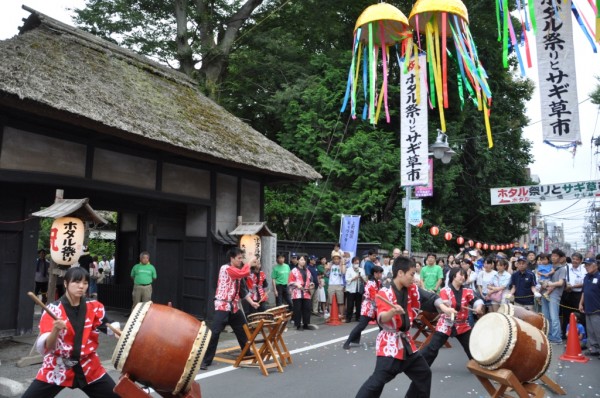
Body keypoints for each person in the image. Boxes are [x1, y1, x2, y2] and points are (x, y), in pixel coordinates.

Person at [355, 256, 455, 398]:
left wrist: (444, 308)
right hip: (390, 345)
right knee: (377, 382)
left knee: (424, 374)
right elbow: (382, 317)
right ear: (400, 273)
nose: (414, 278)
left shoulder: (413, 289)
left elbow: (430, 298)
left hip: (406, 345)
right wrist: (392, 312)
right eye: (412, 274)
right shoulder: (385, 293)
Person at [21, 267, 120, 398]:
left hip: (89, 366)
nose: (81, 286)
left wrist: (118, 333)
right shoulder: (53, 309)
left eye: (85, 283)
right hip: (57, 367)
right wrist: (56, 329)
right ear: (66, 283)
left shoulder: (95, 307)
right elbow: (48, 347)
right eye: (76, 282)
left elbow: (109, 326)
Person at [201, 248, 260, 370]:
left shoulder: (238, 270)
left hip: (234, 306)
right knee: (215, 332)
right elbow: (242, 273)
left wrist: (252, 302)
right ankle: (205, 361)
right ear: (231, 258)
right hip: (223, 305)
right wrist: (250, 262)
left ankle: (246, 352)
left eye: (241, 258)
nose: (240, 260)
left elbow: (243, 290)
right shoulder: (225, 268)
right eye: (238, 258)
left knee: (243, 328)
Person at [420, 268, 484, 367]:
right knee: (433, 347)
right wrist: (454, 306)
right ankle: (421, 366)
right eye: (461, 275)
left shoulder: (468, 290)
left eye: (464, 276)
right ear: (453, 276)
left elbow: (476, 300)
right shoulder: (444, 290)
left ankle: (480, 366)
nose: (463, 277)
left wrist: (478, 307)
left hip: (462, 325)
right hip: (445, 324)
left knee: (471, 347)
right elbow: (446, 305)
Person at [343, 265, 383, 349]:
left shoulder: (377, 282)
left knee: (382, 325)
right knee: (361, 326)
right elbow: (373, 297)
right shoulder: (370, 283)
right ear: (375, 273)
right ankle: (347, 342)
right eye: (380, 273)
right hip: (369, 307)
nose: (381, 274)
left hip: (375, 307)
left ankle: (382, 342)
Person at [540, 248, 568, 344]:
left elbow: (561, 283)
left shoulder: (562, 269)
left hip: (555, 295)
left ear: (560, 258)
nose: (553, 257)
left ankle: (557, 338)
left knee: (554, 317)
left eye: (556, 256)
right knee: (546, 316)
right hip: (544, 294)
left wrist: (548, 284)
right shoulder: (548, 267)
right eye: (552, 256)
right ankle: (549, 335)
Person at [561, 252, 585, 339]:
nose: (575, 261)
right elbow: (562, 280)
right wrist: (565, 287)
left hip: (578, 294)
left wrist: (573, 286)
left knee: (579, 315)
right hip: (567, 293)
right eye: (573, 258)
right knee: (566, 314)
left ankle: (580, 334)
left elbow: (584, 283)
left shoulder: (584, 269)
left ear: (581, 261)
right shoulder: (566, 267)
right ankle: (566, 334)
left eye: (577, 259)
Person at [579, 257, 600, 356]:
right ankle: (594, 349)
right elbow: (584, 291)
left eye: (589, 265)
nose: (587, 267)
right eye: (585, 265)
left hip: (597, 309)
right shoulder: (586, 277)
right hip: (588, 308)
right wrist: (580, 303)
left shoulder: (599, 276)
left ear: (595, 265)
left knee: (598, 331)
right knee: (591, 331)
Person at [288, 255, 314, 330]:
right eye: (301, 260)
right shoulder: (294, 270)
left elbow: (311, 280)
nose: (303, 261)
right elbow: (290, 282)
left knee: (307, 308)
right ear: (298, 261)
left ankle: (306, 324)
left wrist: (312, 284)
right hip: (297, 292)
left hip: (306, 292)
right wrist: (296, 284)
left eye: (304, 260)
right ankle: (298, 324)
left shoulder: (307, 270)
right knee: (297, 309)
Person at [345, 256, 366, 322]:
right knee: (350, 304)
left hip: (358, 289)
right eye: (355, 262)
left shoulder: (361, 269)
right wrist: (354, 278)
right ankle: (348, 317)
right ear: (353, 263)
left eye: (358, 262)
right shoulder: (349, 269)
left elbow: (364, 279)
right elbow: (347, 279)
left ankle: (358, 317)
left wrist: (361, 277)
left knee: (358, 304)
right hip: (351, 289)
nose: (357, 264)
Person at [327, 252, 346, 319]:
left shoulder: (342, 265)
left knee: (340, 301)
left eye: (337, 259)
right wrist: (328, 266)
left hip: (339, 284)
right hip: (331, 284)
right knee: (330, 301)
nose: (336, 260)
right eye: (334, 259)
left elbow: (343, 272)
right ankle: (331, 315)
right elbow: (325, 272)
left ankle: (341, 315)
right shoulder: (330, 265)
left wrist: (342, 264)